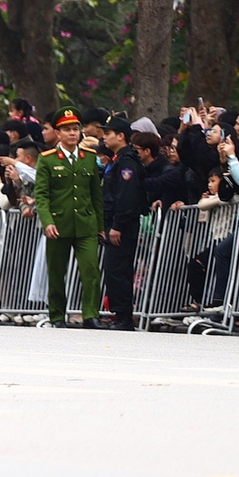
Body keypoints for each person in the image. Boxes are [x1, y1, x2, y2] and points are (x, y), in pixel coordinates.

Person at [36, 109, 103, 327]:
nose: (72, 134)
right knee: (56, 273)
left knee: (90, 269)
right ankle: (57, 315)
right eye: (67, 130)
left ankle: (90, 314)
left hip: (85, 223)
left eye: (75, 129)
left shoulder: (90, 158)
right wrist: (47, 222)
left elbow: (96, 195)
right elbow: (42, 195)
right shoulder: (47, 159)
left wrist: (100, 225)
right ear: (58, 133)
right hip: (59, 223)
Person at [100, 116, 143, 330]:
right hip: (113, 223)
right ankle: (118, 313)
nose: (104, 137)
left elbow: (126, 196)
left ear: (121, 136)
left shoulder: (127, 162)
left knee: (119, 269)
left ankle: (124, 316)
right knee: (113, 269)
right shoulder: (118, 160)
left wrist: (117, 225)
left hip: (123, 226)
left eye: (108, 133)